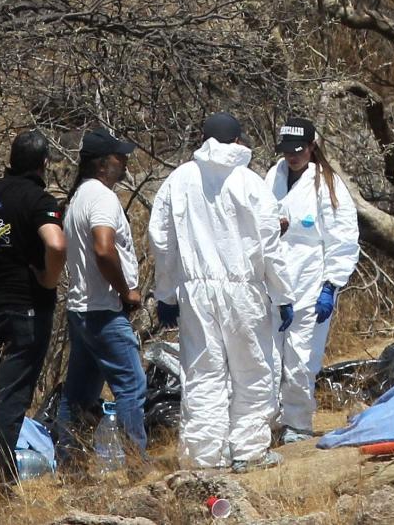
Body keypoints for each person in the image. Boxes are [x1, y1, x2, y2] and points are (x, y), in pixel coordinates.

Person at [149, 112, 295, 471]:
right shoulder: (248, 181)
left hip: (195, 293)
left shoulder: (178, 179)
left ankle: (204, 457)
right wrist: (282, 293)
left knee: (202, 373)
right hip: (244, 291)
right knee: (252, 370)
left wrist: (166, 293)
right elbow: (269, 242)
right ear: (237, 140)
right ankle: (249, 450)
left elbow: (161, 240)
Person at [0, 130, 66, 483]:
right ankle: (1, 481)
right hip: (27, 312)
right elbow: (56, 244)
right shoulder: (39, 200)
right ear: (43, 163)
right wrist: (49, 280)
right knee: (12, 398)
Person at [264, 118, 360, 444]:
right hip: (273, 284)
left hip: (310, 283)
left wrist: (331, 285)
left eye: (299, 150)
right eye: (287, 151)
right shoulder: (272, 177)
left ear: (311, 147)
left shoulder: (326, 185)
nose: (292, 157)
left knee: (301, 359)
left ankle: (298, 423)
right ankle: (270, 423)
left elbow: (342, 238)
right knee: (269, 360)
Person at [55, 129, 146, 462]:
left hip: (80, 309)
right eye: (118, 157)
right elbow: (104, 249)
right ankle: (136, 463)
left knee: (76, 396)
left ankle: (69, 464)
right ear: (102, 164)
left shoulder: (78, 196)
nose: (124, 162)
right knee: (131, 386)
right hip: (104, 310)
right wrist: (127, 291)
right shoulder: (102, 197)